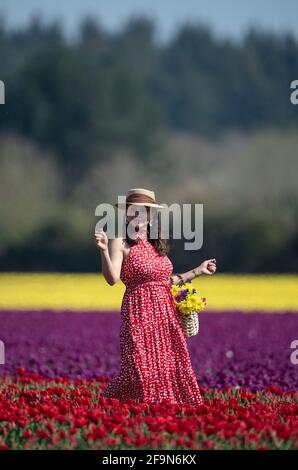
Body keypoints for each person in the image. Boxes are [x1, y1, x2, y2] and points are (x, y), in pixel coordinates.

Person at [94, 188, 217, 406]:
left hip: (165, 313)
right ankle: (120, 408)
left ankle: (166, 412)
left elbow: (165, 281)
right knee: (139, 367)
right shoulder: (120, 241)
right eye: (133, 211)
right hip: (138, 311)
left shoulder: (156, 242)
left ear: (151, 216)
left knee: (170, 365)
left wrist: (198, 271)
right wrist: (103, 251)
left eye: (145, 212)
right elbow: (112, 278)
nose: (139, 216)